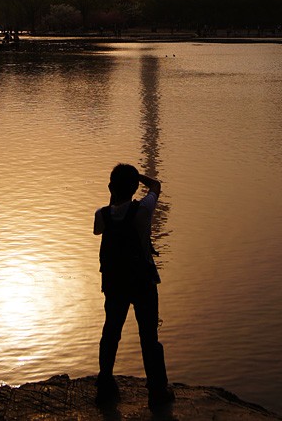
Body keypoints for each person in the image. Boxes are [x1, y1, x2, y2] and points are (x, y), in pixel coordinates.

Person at [93, 163, 174, 408]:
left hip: (115, 283)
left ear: (110, 187)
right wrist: (140, 177)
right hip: (142, 283)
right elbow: (157, 186)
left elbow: (100, 230)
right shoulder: (143, 211)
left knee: (111, 332)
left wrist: (114, 193)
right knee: (149, 336)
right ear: (134, 187)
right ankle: (157, 391)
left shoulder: (102, 215)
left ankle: (105, 382)